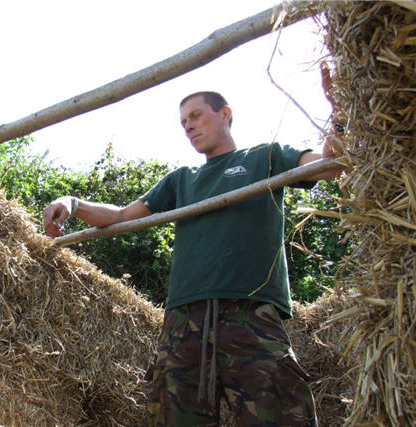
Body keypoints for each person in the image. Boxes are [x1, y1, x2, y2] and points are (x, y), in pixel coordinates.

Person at [43, 67, 343, 426]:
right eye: (183, 121)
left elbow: (330, 165)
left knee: (280, 417)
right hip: (184, 322)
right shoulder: (181, 180)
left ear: (225, 114)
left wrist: (339, 109)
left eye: (196, 116)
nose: (188, 126)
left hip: (252, 315)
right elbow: (121, 215)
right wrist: (73, 203)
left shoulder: (265, 158)